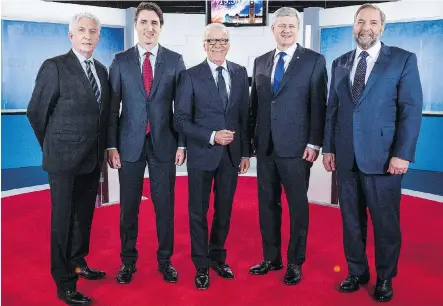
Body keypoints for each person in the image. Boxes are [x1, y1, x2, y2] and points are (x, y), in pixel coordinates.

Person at [322, 3, 422, 302]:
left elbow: (410, 110)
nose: (365, 27)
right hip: (346, 158)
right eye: (360, 21)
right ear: (353, 26)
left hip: (383, 159)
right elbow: (333, 110)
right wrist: (329, 148)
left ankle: (385, 277)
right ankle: (357, 271)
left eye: (372, 22)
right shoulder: (339, 62)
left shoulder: (402, 60)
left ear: (382, 28)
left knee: (385, 222)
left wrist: (402, 154)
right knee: (351, 220)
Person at [27, 12, 108, 305]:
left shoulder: (101, 69)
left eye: (93, 31)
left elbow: (102, 116)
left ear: (98, 37)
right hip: (62, 161)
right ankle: (64, 282)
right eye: (82, 30)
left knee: (83, 217)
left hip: (91, 160)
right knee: (62, 220)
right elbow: (36, 112)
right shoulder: (55, 67)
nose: (88, 35)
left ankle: (77, 261)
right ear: (71, 35)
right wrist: (52, 147)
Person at [107, 2, 186, 284]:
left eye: (154, 23)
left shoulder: (175, 60)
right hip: (128, 145)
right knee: (129, 207)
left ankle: (165, 261)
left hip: (165, 143)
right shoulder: (120, 60)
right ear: (136, 25)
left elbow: (183, 107)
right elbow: (111, 107)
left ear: (160, 27)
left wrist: (182, 144)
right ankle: (128, 262)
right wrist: (110, 145)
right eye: (144, 22)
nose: (149, 28)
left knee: (165, 206)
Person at [248, 7, 328, 285]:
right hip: (266, 147)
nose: (285, 30)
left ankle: (295, 261)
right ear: (273, 30)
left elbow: (319, 105)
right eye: (280, 26)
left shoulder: (314, 61)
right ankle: (272, 258)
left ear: (297, 28)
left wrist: (314, 142)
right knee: (267, 205)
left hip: (297, 148)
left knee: (297, 206)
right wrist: (249, 144)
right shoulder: (260, 62)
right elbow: (255, 107)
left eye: (290, 26)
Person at [174, 23, 250, 290]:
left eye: (223, 40)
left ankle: (218, 256)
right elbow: (181, 120)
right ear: (203, 45)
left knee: (224, 211)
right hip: (202, 153)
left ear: (229, 44)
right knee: (198, 211)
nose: (218, 45)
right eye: (212, 41)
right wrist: (211, 135)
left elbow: (244, 116)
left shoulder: (240, 73)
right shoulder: (190, 75)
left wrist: (245, 152)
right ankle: (201, 265)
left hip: (231, 156)